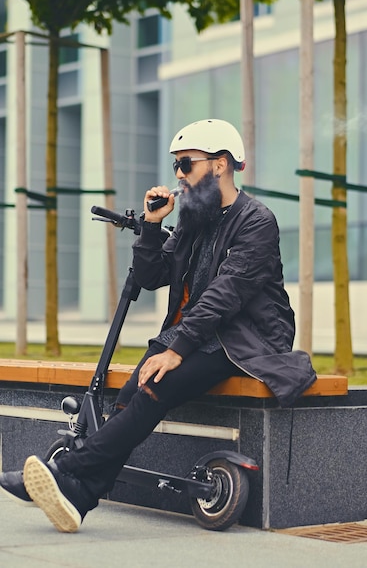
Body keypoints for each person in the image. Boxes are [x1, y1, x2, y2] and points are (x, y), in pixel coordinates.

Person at [0, 118, 316, 533]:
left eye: (187, 164)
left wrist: (176, 350)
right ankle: (79, 496)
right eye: (176, 168)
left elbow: (225, 295)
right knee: (131, 395)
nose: (179, 176)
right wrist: (151, 226)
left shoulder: (256, 220)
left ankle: (66, 470)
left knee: (155, 387)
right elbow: (152, 277)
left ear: (220, 164)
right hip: (197, 334)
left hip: (245, 339)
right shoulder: (194, 219)